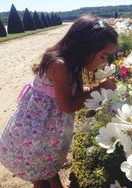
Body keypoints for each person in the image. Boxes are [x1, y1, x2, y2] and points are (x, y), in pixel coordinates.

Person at [0, 14, 118, 188]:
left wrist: (99, 88)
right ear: (86, 48)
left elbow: (75, 96)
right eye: (103, 56)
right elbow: (69, 105)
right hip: (34, 133)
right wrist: (100, 88)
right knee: (39, 176)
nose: (105, 62)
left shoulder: (73, 64)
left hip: (45, 131)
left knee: (48, 169)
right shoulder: (59, 66)